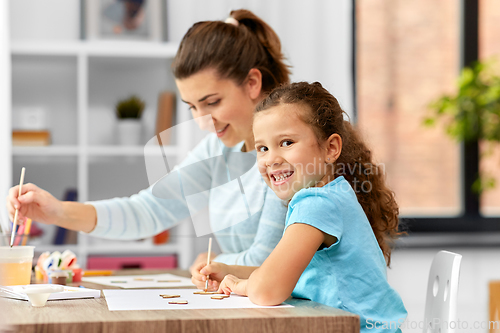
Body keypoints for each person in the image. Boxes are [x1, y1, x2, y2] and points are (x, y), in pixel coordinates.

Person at [5, 9, 291, 272]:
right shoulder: (219, 150)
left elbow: (267, 261)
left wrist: (218, 262)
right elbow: (149, 210)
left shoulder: (290, 154)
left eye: (212, 102)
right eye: (192, 106)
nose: (203, 121)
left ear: (252, 83)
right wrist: (59, 212)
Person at [193, 82, 407, 333]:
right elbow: (291, 277)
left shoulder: (318, 205)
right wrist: (229, 271)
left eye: (286, 142)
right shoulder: (331, 196)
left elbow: (267, 290)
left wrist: (240, 286)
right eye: (262, 148)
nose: (271, 159)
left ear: (331, 148)